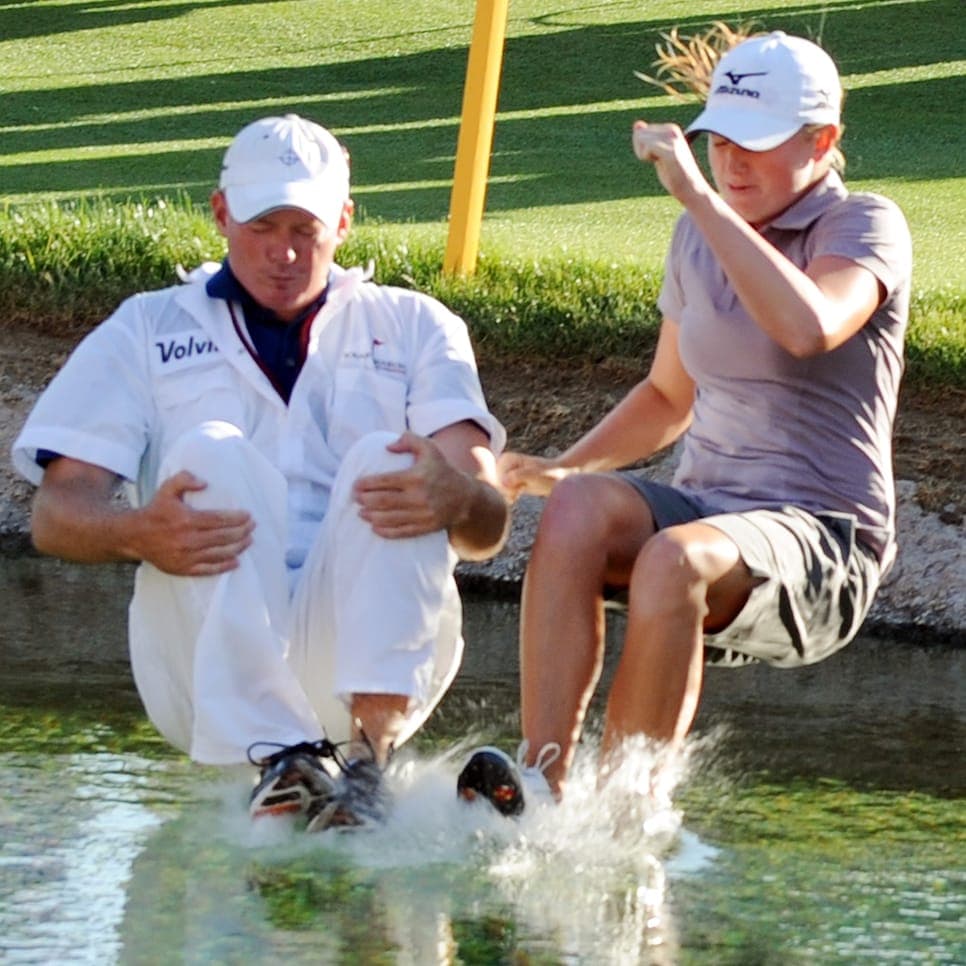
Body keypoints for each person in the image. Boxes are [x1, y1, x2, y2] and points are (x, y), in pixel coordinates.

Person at [456, 27, 910, 822]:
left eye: (757, 144)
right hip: (710, 515)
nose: (732, 161)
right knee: (579, 510)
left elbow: (809, 328)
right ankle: (539, 787)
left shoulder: (865, 226)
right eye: (720, 140)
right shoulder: (698, 237)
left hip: (826, 543)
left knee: (673, 559)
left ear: (824, 140)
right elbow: (669, 397)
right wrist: (568, 467)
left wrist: (698, 197)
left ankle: (625, 816)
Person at [12, 113, 509, 829]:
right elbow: (55, 517)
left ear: (343, 220)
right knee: (211, 452)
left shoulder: (418, 324)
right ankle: (283, 763)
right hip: (202, 670)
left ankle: (367, 768)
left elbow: (488, 524)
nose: (284, 253)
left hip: (371, 653)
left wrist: (458, 492)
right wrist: (139, 531)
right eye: (261, 226)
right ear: (220, 214)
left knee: (390, 461)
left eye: (304, 229)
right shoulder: (145, 327)